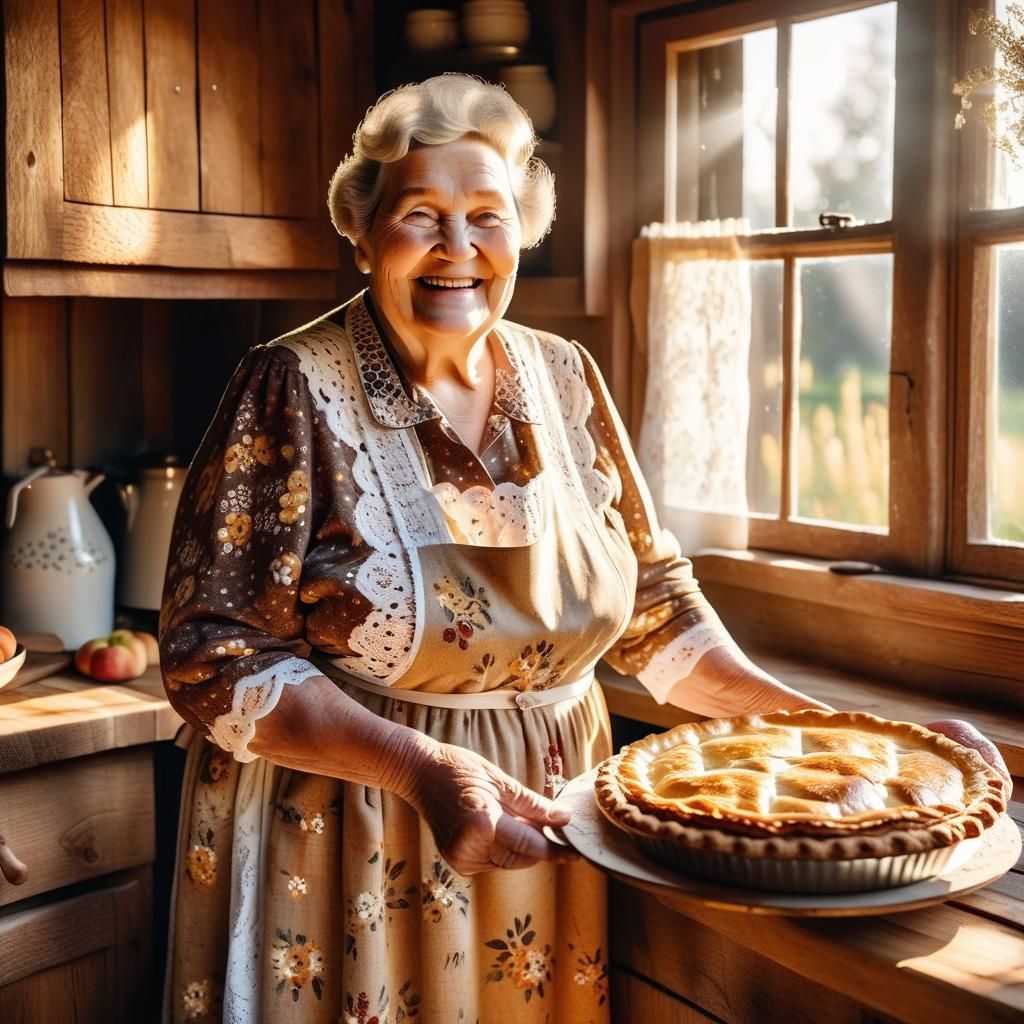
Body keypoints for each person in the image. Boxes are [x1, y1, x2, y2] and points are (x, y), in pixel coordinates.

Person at [158, 73, 1009, 1024]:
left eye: (487, 215)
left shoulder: (565, 376)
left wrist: (844, 735)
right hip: (353, 831)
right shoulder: (287, 386)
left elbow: (655, 611)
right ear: (362, 234)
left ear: (522, 229)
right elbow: (213, 656)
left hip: (556, 835)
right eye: (420, 215)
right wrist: (421, 769)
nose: (457, 248)